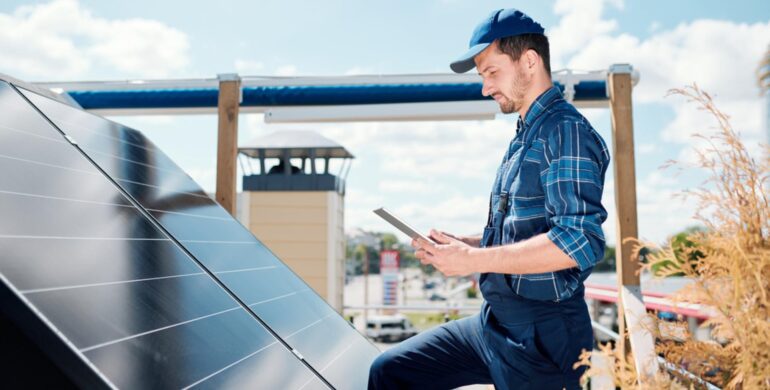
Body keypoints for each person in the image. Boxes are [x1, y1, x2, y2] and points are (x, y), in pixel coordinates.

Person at [368, 8, 610, 390]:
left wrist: (473, 261)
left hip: (544, 339)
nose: (485, 88)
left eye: (492, 72)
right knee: (390, 371)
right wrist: (466, 245)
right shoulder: (526, 134)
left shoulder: (567, 133)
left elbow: (578, 241)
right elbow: (527, 232)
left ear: (529, 61)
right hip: (494, 322)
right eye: (482, 77)